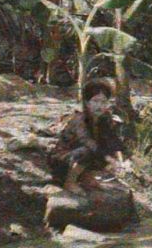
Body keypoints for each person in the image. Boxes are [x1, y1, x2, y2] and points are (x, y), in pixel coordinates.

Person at [44, 77, 137, 233]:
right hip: (62, 162)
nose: (99, 106)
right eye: (95, 101)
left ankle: (86, 179)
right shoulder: (79, 119)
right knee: (88, 152)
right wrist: (110, 160)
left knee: (99, 153)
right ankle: (70, 182)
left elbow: (114, 141)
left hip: (80, 159)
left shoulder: (103, 120)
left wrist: (121, 161)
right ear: (87, 103)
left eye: (103, 102)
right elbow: (86, 141)